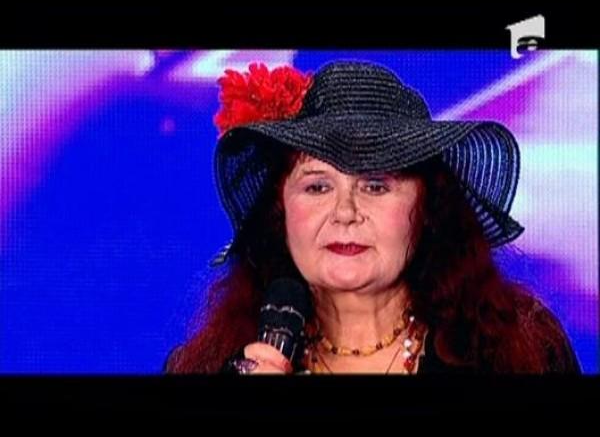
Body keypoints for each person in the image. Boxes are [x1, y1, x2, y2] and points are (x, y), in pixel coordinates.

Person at [164, 60, 581, 374]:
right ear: (280, 213)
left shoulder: (522, 352)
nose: (345, 214)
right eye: (317, 187)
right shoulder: (211, 365)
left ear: (428, 209)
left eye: (376, 185)